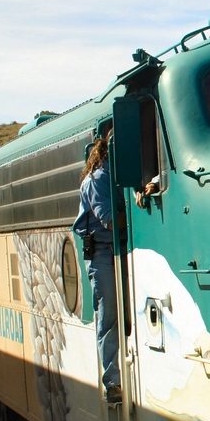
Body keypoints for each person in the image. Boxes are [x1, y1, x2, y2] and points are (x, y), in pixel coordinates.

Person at [73, 136, 121, 403]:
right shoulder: (97, 179)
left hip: (116, 248)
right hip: (102, 252)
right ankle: (112, 381)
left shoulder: (114, 175)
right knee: (109, 312)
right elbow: (109, 219)